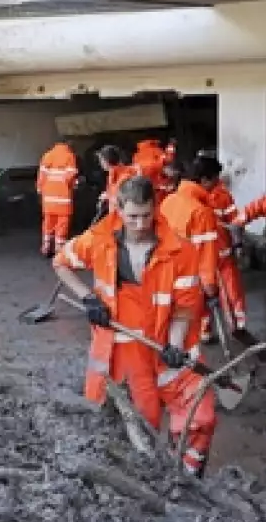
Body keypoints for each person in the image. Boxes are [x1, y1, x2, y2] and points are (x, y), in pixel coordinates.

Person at [53, 176, 217, 476]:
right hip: (122, 350)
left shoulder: (181, 252)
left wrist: (175, 346)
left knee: (200, 418)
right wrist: (88, 298)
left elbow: (184, 308)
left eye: (145, 215)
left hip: (166, 346)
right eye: (132, 217)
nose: (140, 224)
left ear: (155, 208)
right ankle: (137, 475)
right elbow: (60, 262)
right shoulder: (99, 240)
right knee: (135, 422)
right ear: (118, 209)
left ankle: (186, 477)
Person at [159, 155, 222, 337]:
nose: (216, 187)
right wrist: (210, 287)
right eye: (214, 181)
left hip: (163, 274)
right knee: (186, 334)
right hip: (188, 281)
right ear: (204, 180)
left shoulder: (168, 202)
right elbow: (206, 254)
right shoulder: (202, 212)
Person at [200, 155, 249, 336]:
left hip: (223, 255)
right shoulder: (192, 199)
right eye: (215, 178)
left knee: (232, 292)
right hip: (203, 259)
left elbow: (235, 222)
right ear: (204, 179)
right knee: (203, 296)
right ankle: (205, 328)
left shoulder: (222, 196)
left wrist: (238, 245)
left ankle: (237, 326)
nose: (218, 181)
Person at [36, 141, 81, 257]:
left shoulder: (47, 155)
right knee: (62, 223)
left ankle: (46, 247)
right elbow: (70, 178)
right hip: (63, 199)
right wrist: (75, 184)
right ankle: (59, 250)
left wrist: (40, 190)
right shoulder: (69, 156)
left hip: (48, 199)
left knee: (48, 223)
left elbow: (41, 177)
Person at [96, 145, 138, 212]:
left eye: (101, 160)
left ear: (107, 160)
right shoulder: (112, 175)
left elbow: (126, 200)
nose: (100, 163)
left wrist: (108, 197)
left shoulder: (125, 176)